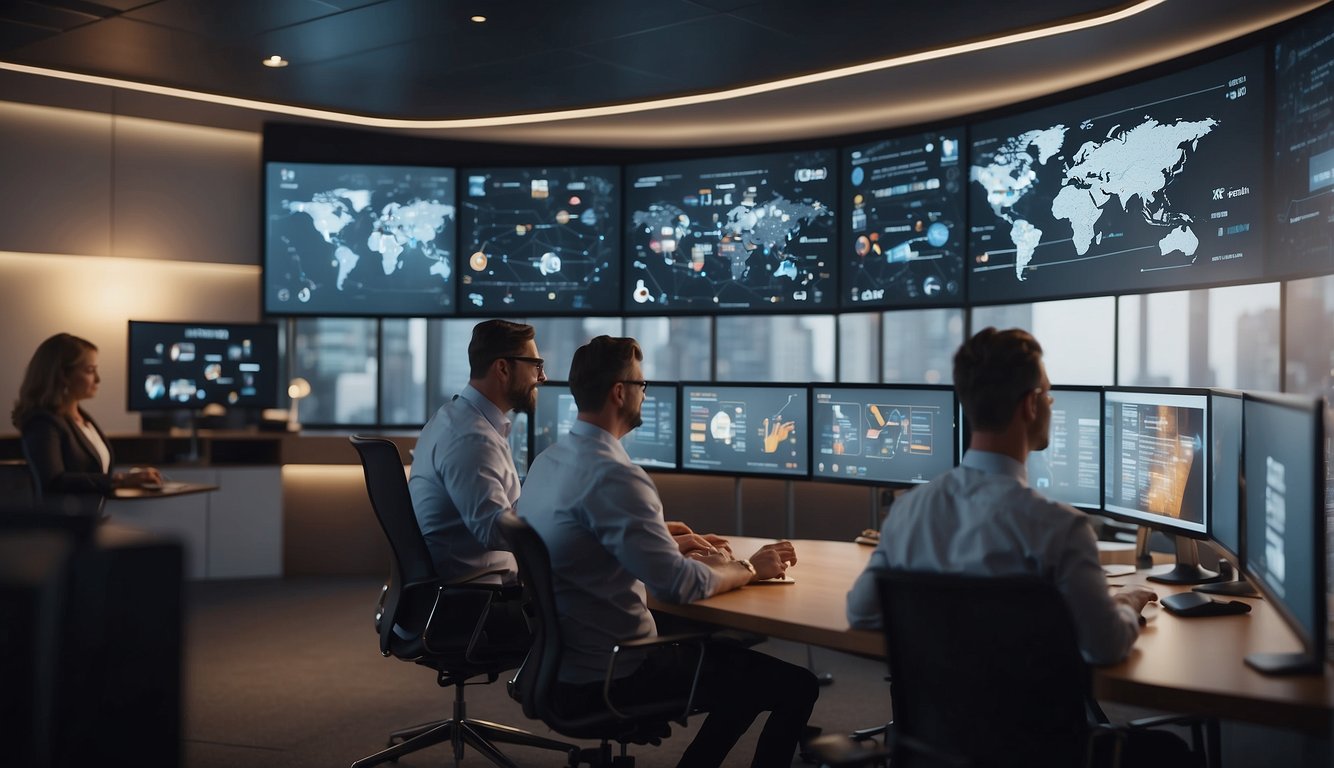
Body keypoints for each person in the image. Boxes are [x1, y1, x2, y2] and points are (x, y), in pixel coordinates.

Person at [519, 335, 819, 768]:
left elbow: (584, 544)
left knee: (737, 665)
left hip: (563, 667)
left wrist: (659, 540)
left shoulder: (549, 462)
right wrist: (748, 567)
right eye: (642, 385)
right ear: (620, 392)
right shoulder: (617, 475)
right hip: (619, 672)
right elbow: (678, 585)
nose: (645, 394)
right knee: (796, 685)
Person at [846, 327, 1154, 662]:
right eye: (1048, 394)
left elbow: (861, 613)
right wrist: (1125, 602)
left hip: (936, 713)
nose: (1051, 403)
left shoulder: (909, 511)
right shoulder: (1061, 529)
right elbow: (1105, 646)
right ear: (1030, 406)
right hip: (1031, 715)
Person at [409, 319, 732, 585]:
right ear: (502, 369)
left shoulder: (456, 420)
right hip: (485, 596)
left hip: (476, 582)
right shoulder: (471, 439)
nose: (543, 377)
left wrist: (632, 532)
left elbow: (517, 518)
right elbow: (494, 531)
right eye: (535, 364)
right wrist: (618, 542)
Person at [13, 333, 162, 506]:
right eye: (90, 370)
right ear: (63, 375)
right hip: (61, 528)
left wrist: (132, 478)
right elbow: (53, 482)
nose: (98, 379)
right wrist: (121, 480)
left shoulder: (82, 418)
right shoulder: (42, 423)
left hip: (88, 522)